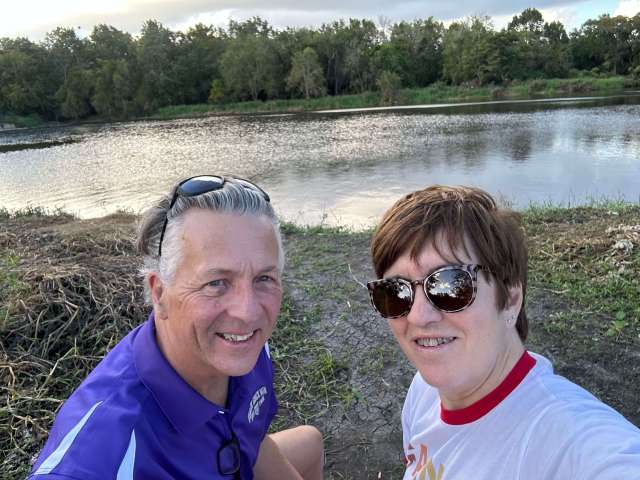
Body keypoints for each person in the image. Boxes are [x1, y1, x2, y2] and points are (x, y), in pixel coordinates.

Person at [28, 175, 323, 479]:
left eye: (264, 278)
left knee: (310, 442)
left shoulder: (246, 346)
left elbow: (250, 437)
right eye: (216, 283)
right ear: (159, 293)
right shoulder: (103, 456)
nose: (248, 313)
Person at [367, 185, 640, 479]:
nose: (419, 316)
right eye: (395, 292)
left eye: (450, 286)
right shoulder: (424, 391)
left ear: (510, 299)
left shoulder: (567, 441)